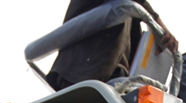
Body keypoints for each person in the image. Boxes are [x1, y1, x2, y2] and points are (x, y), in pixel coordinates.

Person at [46, 0, 178, 91]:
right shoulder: (129, 5)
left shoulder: (131, 9)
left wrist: (160, 30)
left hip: (114, 76)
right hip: (82, 70)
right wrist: (159, 25)